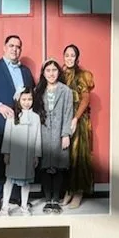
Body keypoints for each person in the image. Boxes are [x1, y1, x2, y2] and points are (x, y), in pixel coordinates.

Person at [0, 33, 35, 212]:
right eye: (11, 45)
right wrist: (0, 106)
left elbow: (32, 95)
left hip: (19, 126)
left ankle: (16, 197)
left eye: (18, 47)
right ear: (4, 47)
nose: (15, 49)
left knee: (18, 161)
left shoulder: (25, 71)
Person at [36, 57, 75, 212]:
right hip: (43, 134)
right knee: (45, 167)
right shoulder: (38, 90)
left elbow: (68, 113)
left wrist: (66, 134)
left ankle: (56, 200)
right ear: (43, 73)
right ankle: (48, 200)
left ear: (58, 72)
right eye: (48, 70)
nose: (51, 74)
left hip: (59, 133)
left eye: (54, 70)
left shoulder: (66, 91)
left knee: (58, 167)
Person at [61, 41, 96, 207]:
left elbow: (86, 99)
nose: (69, 58)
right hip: (63, 118)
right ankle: (69, 190)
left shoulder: (83, 75)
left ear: (77, 58)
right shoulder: (60, 74)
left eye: (72, 55)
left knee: (78, 155)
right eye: (67, 55)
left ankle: (79, 192)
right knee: (66, 157)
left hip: (78, 120)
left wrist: (75, 119)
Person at [0, 87, 42, 213]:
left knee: (26, 182)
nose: (27, 102)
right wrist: (6, 153)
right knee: (9, 180)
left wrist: (36, 155)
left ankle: (24, 205)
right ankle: (5, 205)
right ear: (18, 100)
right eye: (24, 99)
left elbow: (38, 137)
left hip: (29, 155)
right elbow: (7, 135)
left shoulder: (35, 117)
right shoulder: (13, 116)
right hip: (14, 154)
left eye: (29, 99)